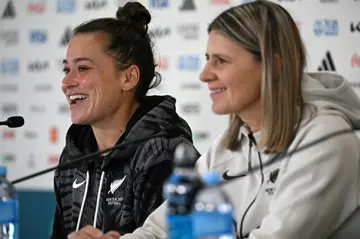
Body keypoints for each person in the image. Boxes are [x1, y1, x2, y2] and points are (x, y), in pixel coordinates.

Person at [68, 1, 360, 238]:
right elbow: (162, 230)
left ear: (273, 64)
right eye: (207, 59)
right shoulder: (230, 145)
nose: (205, 74)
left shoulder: (327, 141)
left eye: (220, 61)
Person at [51, 1, 200, 238]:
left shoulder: (164, 153)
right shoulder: (73, 155)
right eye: (66, 70)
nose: (67, 83)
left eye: (83, 68)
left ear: (129, 78)